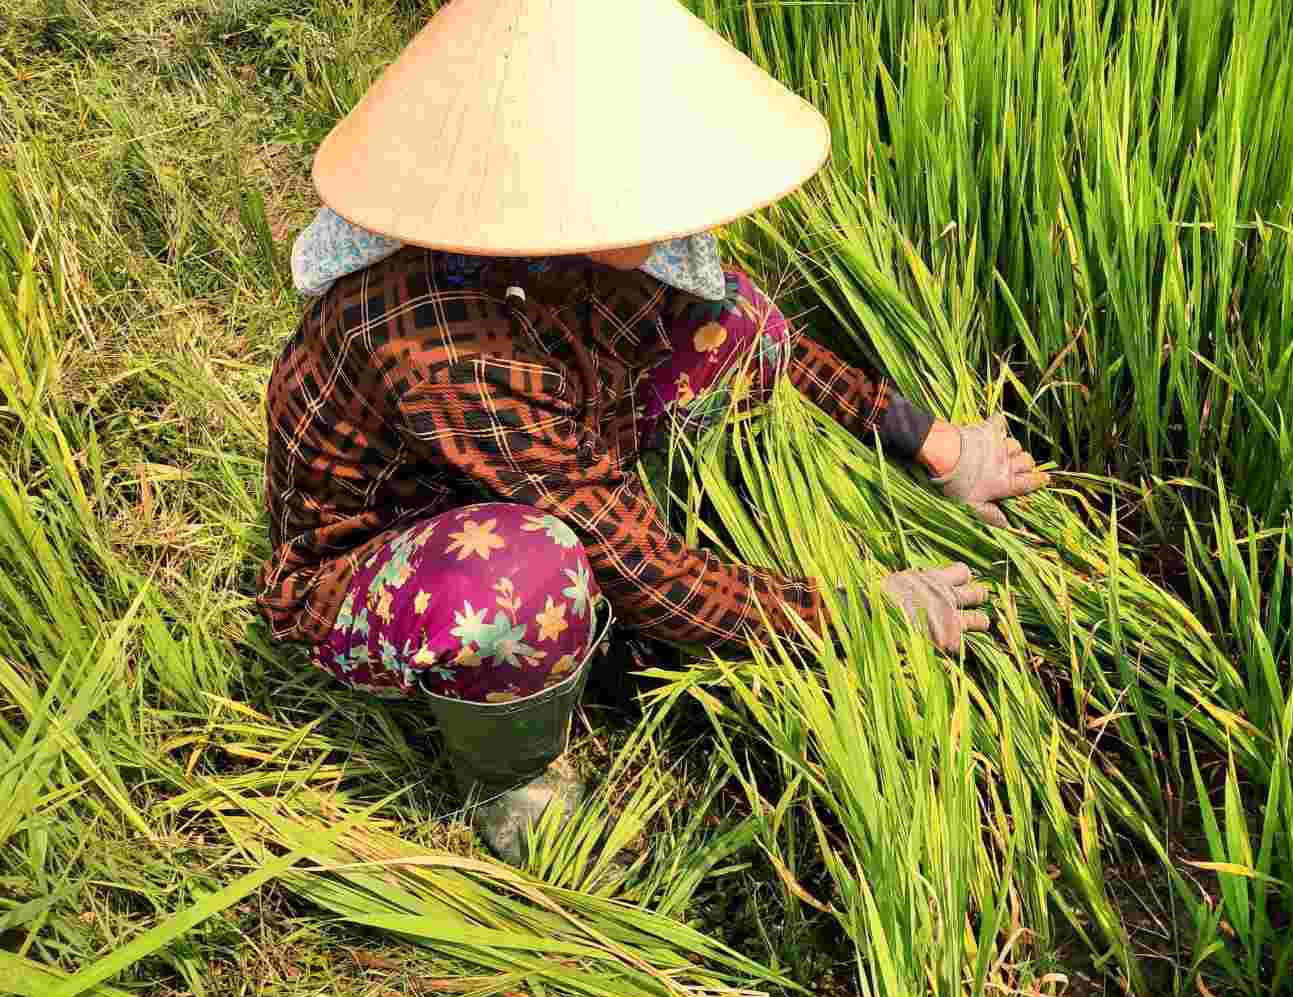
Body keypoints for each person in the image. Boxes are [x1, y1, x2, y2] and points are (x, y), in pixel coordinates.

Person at [256, 0, 1047, 864]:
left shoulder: (562, 240)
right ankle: (511, 773)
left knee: (720, 317)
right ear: (554, 182)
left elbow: (744, 329)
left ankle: (615, 633)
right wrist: (850, 613)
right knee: (530, 574)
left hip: (519, 455)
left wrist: (932, 442)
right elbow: (637, 566)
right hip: (387, 560)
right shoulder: (444, 335)